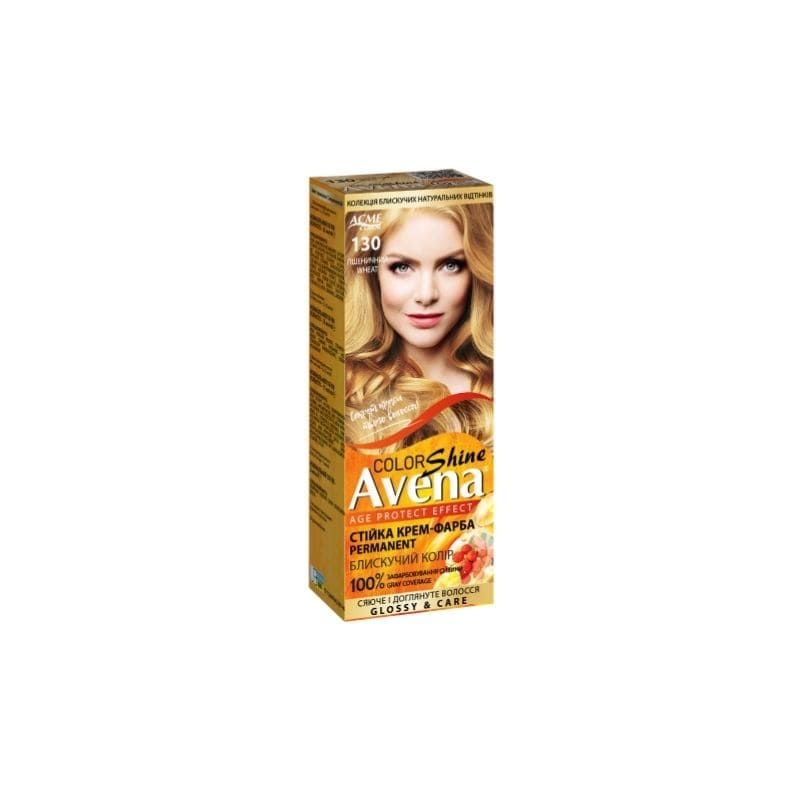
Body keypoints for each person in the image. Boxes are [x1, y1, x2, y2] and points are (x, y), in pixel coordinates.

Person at [345, 203, 493, 450]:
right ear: (372, 274)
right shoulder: (348, 387)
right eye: (401, 267)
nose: (426, 295)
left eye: (450, 265)